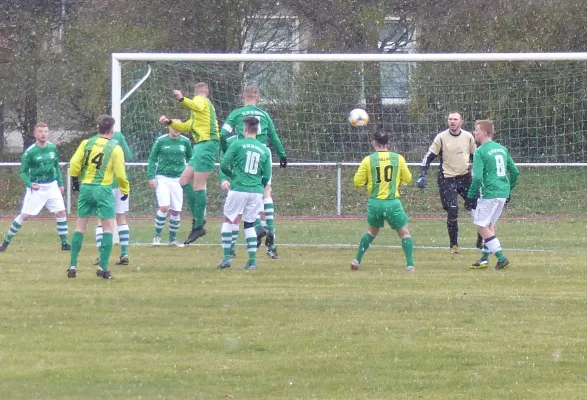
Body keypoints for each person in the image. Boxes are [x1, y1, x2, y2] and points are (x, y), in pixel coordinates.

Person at [220, 85, 287, 259]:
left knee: (239, 198)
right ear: (257, 98)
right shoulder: (264, 115)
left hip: (241, 153)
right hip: (263, 152)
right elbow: (274, 135)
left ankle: (235, 246)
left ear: (243, 97)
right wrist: (282, 154)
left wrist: (225, 149)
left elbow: (223, 134)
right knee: (264, 193)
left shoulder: (236, 114)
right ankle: (270, 243)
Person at [67, 115, 130, 280]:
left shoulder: (86, 143)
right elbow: (121, 174)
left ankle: (73, 265)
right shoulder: (115, 148)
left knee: (80, 227)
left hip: (86, 188)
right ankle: (103, 268)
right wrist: (125, 189)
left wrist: (75, 179)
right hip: (103, 189)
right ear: (112, 130)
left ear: (97, 129)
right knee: (108, 227)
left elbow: (74, 163)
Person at [159, 82, 219, 245]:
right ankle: (198, 219)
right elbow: (187, 126)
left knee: (198, 186)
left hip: (207, 144)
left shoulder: (201, 101)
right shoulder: (199, 115)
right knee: (184, 180)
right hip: (200, 146)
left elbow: (196, 104)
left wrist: (181, 99)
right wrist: (170, 122)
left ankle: (198, 224)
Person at [0, 123, 70, 252]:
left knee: (61, 212)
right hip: (37, 188)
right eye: (40, 132)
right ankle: (5, 243)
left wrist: (60, 184)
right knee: (25, 216)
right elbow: (23, 171)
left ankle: (65, 243)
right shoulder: (30, 152)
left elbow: (56, 167)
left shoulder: (52, 148)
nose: (43, 134)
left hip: (52, 186)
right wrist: (30, 184)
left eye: (45, 131)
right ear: (35, 134)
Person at [351, 130, 415, 271]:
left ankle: (356, 261)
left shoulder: (368, 160)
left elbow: (357, 182)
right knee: (404, 233)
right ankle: (410, 265)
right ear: (388, 143)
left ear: (374, 143)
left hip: (375, 203)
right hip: (392, 203)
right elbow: (408, 179)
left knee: (371, 232)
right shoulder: (398, 158)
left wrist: (368, 181)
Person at [416, 112, 478, 254]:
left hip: (465, 178)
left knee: (476, 205)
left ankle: (482, 238)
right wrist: (422, 174)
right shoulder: (441, 137)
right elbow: (428, 156)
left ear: (461, 121)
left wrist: (481, 174)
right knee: (452, 209)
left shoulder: (468, 137)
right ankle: (454, 245)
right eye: (450, 119)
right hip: (447, 179)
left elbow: (477, 157)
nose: (452, 122)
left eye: (455, 119)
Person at [217, 117, 272, 270]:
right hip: (255, 191)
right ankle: (252, 261)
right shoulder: (264, 149)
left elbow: (223, 164)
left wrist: (232, 175)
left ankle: (227, 258)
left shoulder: (237, 144)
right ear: (257, 130)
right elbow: (267, 175)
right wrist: (258, 185)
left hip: (239, 188)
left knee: (229, 220)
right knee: (249, 224)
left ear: (245, 129)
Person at [467, 120, 519, 270]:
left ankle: (501, 257)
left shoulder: (480, 151)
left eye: (476, 130)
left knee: (480, 225)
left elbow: (477, 178)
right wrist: (509, 189)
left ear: (484, 132)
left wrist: (471, 195)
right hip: (502, 192)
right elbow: (515, 172)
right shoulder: (502, 149)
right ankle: (484, 259)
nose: (474, 132)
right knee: (489, 225)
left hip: (489, 193)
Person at [147, 123, 192, 245]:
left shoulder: (185, 142)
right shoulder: (161, 141)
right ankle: (157, 236)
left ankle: (172, 239)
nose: (176, 130)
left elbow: (191, 159)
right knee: (164, 207)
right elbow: (152, 158)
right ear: (169, 127)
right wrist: (151, 176)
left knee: (176, 211)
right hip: (162, 178)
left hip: (178, 179)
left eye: (179, 127)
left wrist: (189, 176)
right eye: (174, 127)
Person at [94, 130, 134, 265]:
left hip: (104, 184)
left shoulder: (93, 140)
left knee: (101, 219)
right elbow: (129, 155)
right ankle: (124, 253)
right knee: (121, 217)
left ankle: (101, 255)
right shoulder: (119, 136)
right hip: (120, 182)